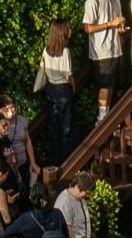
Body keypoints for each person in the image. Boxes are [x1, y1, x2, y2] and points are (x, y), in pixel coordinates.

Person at [82, 0, 127, 118]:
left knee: (113, 83)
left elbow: (117, 20)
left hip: (115, 47)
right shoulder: (92, 1)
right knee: (105, 84)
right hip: (101, 51)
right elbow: (87, 28)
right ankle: (101, 117)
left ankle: (108, 114)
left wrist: (121, 28)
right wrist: (109, 24)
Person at [34, 21, 78, 163]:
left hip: (50, 89)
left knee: (54, 126)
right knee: (67, 127)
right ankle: (67, 160)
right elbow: (68, 75)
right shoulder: (65, 51)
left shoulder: (46, 50)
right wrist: (74, 87)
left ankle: (55, 159)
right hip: (63, 90)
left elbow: (43, 70)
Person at [4, 173, 68, 238]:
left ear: (31, 199)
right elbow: (65, 234)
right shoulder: (57, 213)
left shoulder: (25, 219)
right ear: (48, 196)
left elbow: (6, 233)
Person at [0, 93, 37, 193]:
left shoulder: (22, 121)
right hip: (8, 168)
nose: (11, 111)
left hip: (23, 163)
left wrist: (33, 162)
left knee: (25, 191)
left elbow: (28, 141)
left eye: (12, 107)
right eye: (6, 109)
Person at [54, 172, 94, 238]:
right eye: (86, 192)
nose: (88, 195)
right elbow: (68, 230)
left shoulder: (79, 197)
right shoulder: (65, 202)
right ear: (78, 187)